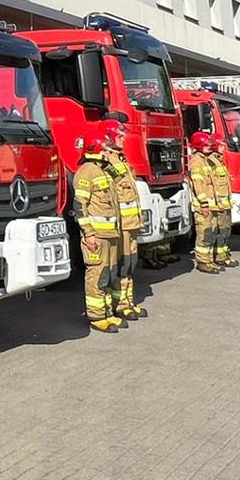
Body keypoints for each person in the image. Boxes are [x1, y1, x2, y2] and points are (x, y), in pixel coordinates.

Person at [72, 125, 124, 332]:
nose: (107, 152)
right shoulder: (86, 173)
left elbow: (122, 180)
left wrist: (112, 158)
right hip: (97, 236)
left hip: (110, 234)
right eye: (105, 149)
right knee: (97, 275)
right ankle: (96, 316)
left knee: (109, 274)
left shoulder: (103, 170)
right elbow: (79, 207)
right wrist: (90, 235)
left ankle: (107, 312)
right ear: (95, 148)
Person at [100, 118, 145, 321]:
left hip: (132, 224)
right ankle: (118, 304)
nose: (123, 138)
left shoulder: (121, 159)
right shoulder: (108, 160)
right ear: (108, 136)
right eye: (119, 135)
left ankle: (126, 302)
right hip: (121, 226)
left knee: (129, 264)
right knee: (120, 265)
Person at [186, 131, 235, 274]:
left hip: (213, 205)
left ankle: (210, 260)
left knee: (212, 233)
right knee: (205, 233)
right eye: (206, 145)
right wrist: (204, 204)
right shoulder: (196, 161)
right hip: (204, 207)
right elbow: (198, 185)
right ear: (199, 145)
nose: (210, 147)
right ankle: (203, 262)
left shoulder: (208, 160)